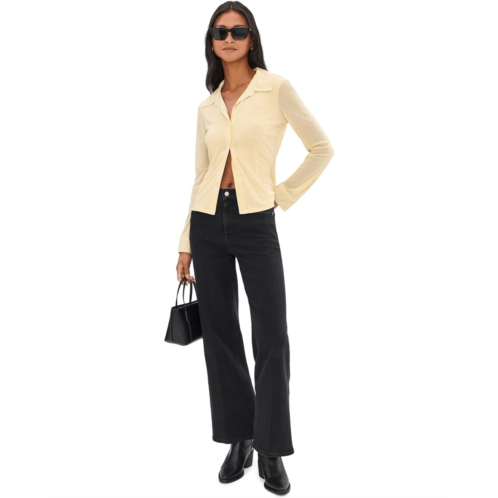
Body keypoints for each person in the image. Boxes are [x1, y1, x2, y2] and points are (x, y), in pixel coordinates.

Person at [175, 2, 334, 495]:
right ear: (211, 41)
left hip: (256, 221)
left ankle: (271, 447)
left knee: (271, 335)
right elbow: (201, 175)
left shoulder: (276, 88)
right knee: (220, 335)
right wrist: (185, 242)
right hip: (207, 223)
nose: (229, 38)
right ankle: (238, 439)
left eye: (238, 30)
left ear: (252, 38)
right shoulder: (207, 106)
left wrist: (279, 195)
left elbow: (322, 148)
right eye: (220, 31)